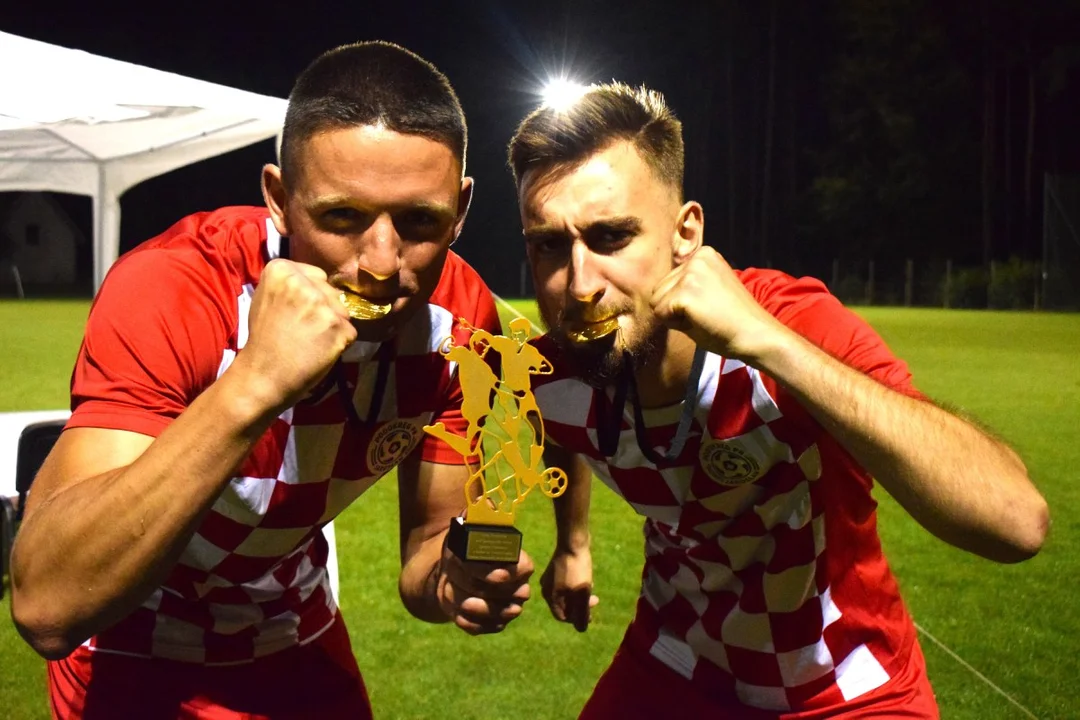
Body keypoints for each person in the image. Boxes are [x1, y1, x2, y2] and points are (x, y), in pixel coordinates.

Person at [10, 41, 534, 719]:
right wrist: (254, 382)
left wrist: (454, 581)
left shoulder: (461, 321)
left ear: (460, 209)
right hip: (131, 646)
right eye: (341, 217)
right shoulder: (176, 286)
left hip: (296, 630)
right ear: (280, 200)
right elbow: (48, 604)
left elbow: (425, 557)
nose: (382, 263)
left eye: (419, 221)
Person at [507, 82, 1049, 718]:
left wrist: (768, 344)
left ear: (685, 234)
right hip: (676, 658)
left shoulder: (792, 325)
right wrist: (573, 543)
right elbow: (561, 428)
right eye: (549, 244)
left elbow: (1017, 523)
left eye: (611, 237)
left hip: (844, 679)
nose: (579, 285)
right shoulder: (552, 369)